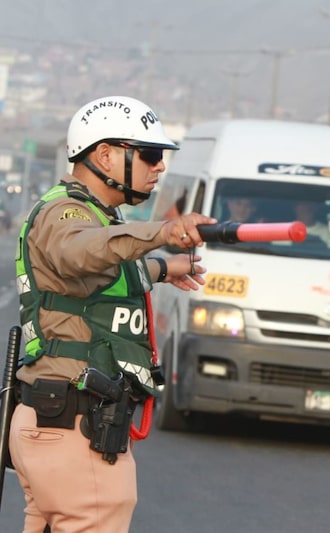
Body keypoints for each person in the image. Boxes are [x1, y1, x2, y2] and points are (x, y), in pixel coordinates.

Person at [9, 95, 217, 533]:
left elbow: (91, 280)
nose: (159, 167)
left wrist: (161, 268)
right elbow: (79, 252)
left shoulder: (95, 215)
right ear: (105, 154)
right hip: (73, 427)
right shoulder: (69, 212)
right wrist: (160, 232)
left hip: (60, 422)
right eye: (149, 155)